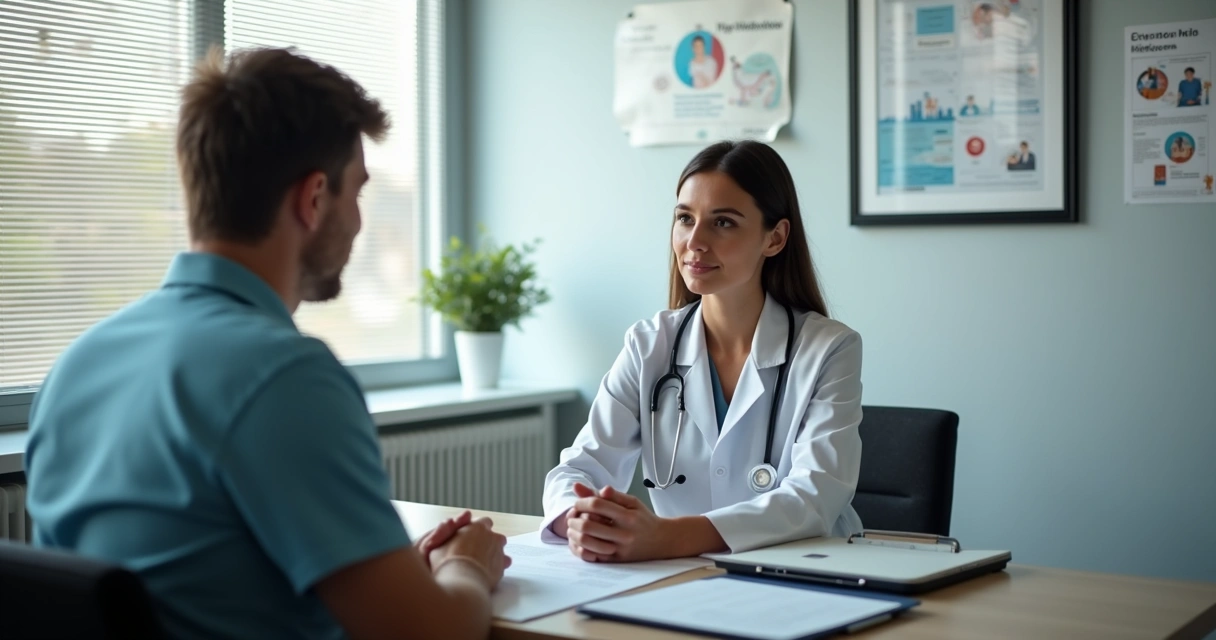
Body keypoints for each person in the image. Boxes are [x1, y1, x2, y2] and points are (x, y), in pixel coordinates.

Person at [24, 47, 509, 640]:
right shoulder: (284, 376)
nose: (358, 221)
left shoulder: (78, 364)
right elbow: (431, 635)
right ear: (312, 198)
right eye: (356, 193)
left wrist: (394, 566)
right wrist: (466, 565)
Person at [541, 140, 864, 562]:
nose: (695, 241)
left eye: (723, 223)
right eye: (684, 219)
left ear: (775, 238)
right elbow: (579, 469)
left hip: (805, 571)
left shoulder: (828, 349)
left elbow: (813, 498)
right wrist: (580, 519)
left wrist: (666, 537)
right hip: (682, 574)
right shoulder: (648, 345)